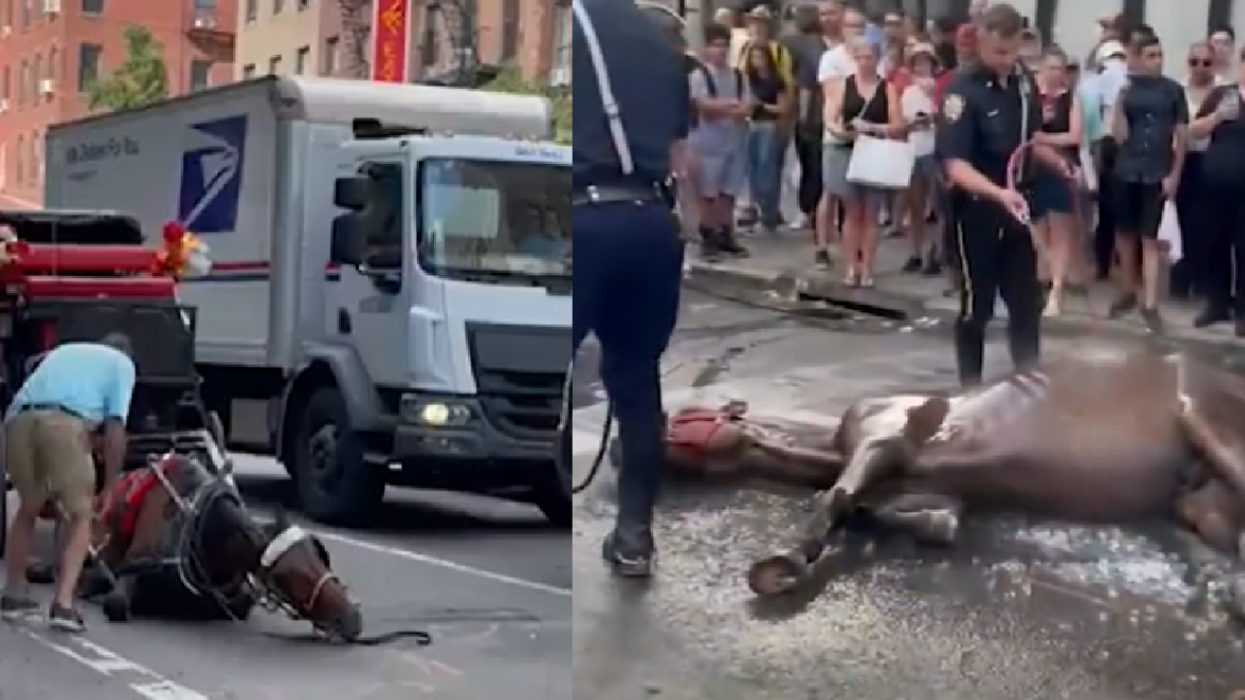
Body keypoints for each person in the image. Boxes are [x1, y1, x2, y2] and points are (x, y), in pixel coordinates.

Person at [572, 0, 688, 576]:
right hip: (650, 219)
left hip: (584, 217)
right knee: (638, 380)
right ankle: (634, 536)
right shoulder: (660, 44)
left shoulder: (576, 24)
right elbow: (676, 157)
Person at [936, 3, 1074, 387]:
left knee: (1025, 304)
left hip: (1018, 208)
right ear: (981, 42)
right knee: (975, 308)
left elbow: (1027, 140)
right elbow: (954, 165)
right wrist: (999, 193)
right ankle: (969, 390)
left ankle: (1027, 383)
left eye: (1013, 51)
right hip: (977, 210)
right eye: (999, 51)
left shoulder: (1024, 82)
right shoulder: (960, 93)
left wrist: (1053, 161)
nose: (1007, 60)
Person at [1, 334, 136, 632]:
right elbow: (115, 429)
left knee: (29, 507)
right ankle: (63, 605)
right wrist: (110, 488)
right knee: (81, 516)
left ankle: (12, 594)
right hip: (63, 423)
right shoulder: (122, 364)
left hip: (17, 422)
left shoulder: (66, 350)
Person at [1106, 32, 1188, 333]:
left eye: (1159, 55)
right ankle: (1129, 288)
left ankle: (1150, 303)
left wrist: (1175, 173)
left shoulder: (1173, 91)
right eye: (1150, 56)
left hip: (1157, 169)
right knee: (1125, 233)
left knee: (1150, 238)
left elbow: (1181, 134)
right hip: (1127, 168)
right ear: (1138, 58)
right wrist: (1119, 101)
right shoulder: (1128, 90)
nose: (1156, 61)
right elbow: (1119, 135)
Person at [822, 37, 903, 288]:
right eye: (860, 57)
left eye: (869, 57)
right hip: (848, 150)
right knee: (852, 212)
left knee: (871, 213)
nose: (864, 62)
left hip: (875, 152)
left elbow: (898, 125)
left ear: (877, 59)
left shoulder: (886, 88)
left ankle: (867, 267)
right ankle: (850, 267)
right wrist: (841, 131)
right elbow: (830, 117)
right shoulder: (844, 86)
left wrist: (872, 128)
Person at [1191, 48, 1245, 335]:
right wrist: (1217, 117)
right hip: (1215, 182)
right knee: (1214, 244)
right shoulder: (1223, 95)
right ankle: (1217, 303)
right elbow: (1193, 130)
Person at [691, 23, 752, 259]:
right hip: (708, 143)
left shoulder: (739, 76)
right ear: (707, 48)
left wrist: (727, 107)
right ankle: (708, 234)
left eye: (724, 46)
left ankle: (726, 232)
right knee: (709, 192)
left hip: (734, 141)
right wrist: (731, 106)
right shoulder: (699, 75)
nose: (721, 51)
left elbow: (747, 106)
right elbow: (704, 106)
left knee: (729, 190)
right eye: (716, 45)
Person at [1030, 46, 1083, 317]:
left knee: (1061, 230)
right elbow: (1025, 134)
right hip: (1032, 170)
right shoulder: (1031, 97)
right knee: (1037, 230)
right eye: (1050, 68)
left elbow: (1075, 137)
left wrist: (1044, 140)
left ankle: (1057, 290)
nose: (1054, 74)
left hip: (1063, 170)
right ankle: (1041, 280)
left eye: (1059, 69)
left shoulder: (1070, 99)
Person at [1176, 41, 1225, 311]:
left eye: (1206, 62)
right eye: (1195, 62)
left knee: (1206, 223)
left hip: (1210, 159)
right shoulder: (1179, 89)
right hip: (1183, 158)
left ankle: (1205, 280)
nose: (1200, 68)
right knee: (1181, 218)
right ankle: (1180, 280)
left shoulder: (1222, 91)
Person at [899, 42, 943, 275]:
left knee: (936, 207)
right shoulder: (908, 92)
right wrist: (913, 122)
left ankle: (935, 252)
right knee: (915, 205)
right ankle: (915, 252)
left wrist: (933, 107)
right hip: (913, 150)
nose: (922, 66)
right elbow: (901, 122)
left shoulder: (940, 88)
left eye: (926, 61)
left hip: (935, 150)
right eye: (918, 62)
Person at [743, 43, 793, 234]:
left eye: (761, 57)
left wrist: (762, 105)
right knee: (753, 171)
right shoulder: (748, 80)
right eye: (754, 58)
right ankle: (759, 210)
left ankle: (769, 212)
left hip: (769, 126)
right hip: (751, 126)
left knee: (768, 170)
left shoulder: (776, 80)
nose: (758, 62)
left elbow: (783, 108)